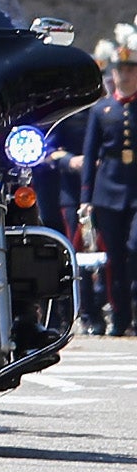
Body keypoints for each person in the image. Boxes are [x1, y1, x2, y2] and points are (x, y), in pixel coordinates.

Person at [76, 41, 137, 341]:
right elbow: (90, 155)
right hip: (108, 189)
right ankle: (121, 316)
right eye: (121, 70)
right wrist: (86, 199)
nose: (125, 76)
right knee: (114, 258)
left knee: (135, 249)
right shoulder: (102, 109)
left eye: (130, 70)